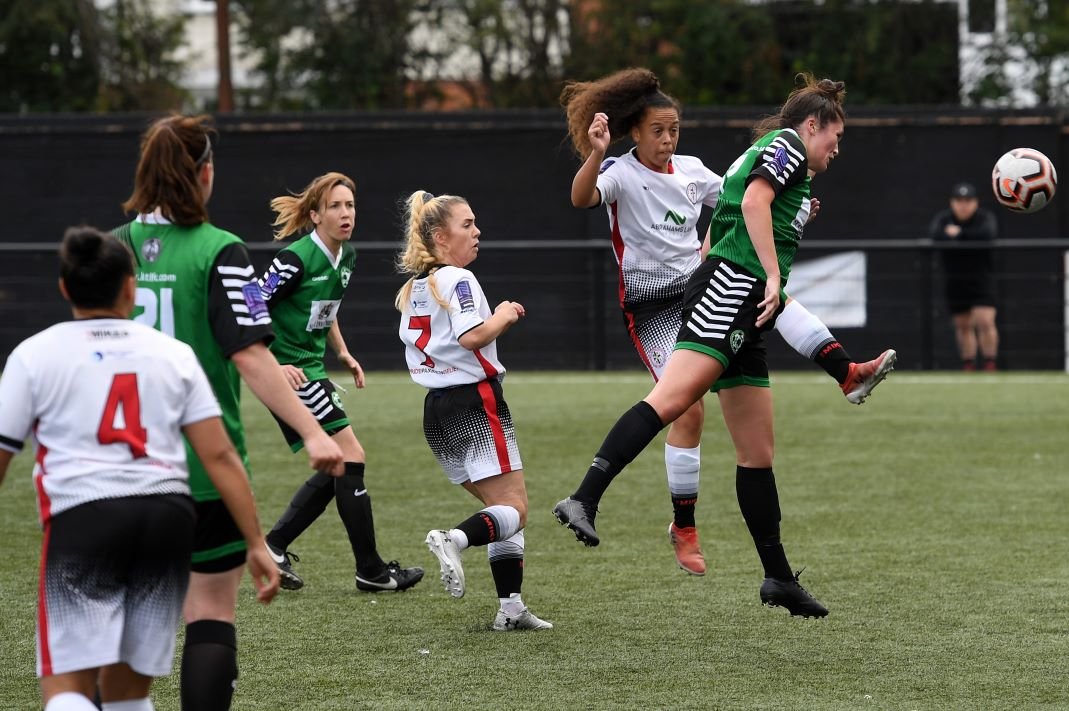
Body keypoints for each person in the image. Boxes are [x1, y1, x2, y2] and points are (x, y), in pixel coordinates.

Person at [560, 69, 896, 577]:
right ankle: (677, 524)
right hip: (654, 306)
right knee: (686, 408)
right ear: (635, 132)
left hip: (701, 285)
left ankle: (845, 372)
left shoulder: (693, 170)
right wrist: (594, 154)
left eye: (674, 128)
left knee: (765, 303)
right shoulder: (622, 173)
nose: (668, 138)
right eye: (658, 130)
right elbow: (581, 198)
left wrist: (796, 206)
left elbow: (740, 203)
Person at [113, 114, 342, 711]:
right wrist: (313, 432)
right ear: (205, 174)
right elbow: (250, 356)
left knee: (124, 619)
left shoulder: (113, 249)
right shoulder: (222, 251)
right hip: (199, 466)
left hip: (113, 466)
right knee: (211, 614)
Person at [0, 227, 279, 711]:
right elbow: (219, 456)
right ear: (132, 286)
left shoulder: (34, 354)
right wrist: (256, 542)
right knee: (128, 694)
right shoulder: (173, 355)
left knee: (67, 693)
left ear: (65, 288)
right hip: (166, 520)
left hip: (86, 517)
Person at [258, 172, 423, 593]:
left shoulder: (345, 256)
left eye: (349, 205)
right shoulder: (294, 259)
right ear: (315, 215)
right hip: (287, 372)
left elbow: (324, 310)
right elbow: (248, 309)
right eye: (335, 206)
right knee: (351, 454)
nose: (345, 213)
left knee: (340, 464)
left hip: (311, 368)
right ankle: (370, 569)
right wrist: (272, 366)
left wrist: (344, 353)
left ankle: (274, 545)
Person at [396, 190, 552, 632]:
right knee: (516, 510)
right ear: (442, 238)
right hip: (474, 402)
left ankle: (511, 607)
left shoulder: (415, 287)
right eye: (467, 224)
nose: (477, 231)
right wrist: (504, 314)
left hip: (436, 411)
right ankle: (454, 539)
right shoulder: (458, 280)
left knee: (500, 512)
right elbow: (472, 336)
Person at [929, 182, 999, 371]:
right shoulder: (944, 218)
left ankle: (990, 362)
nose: (963, 205)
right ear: (952, 202)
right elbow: (935, 235)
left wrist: (959, 234)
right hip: (955, 281)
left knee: (985, 321)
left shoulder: (984, 218)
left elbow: (987, 235)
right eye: (959, 200)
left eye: (968, 200)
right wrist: (965, 237)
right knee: (963, 325)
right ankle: (968, 364)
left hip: (981, 281)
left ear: (975, 202)